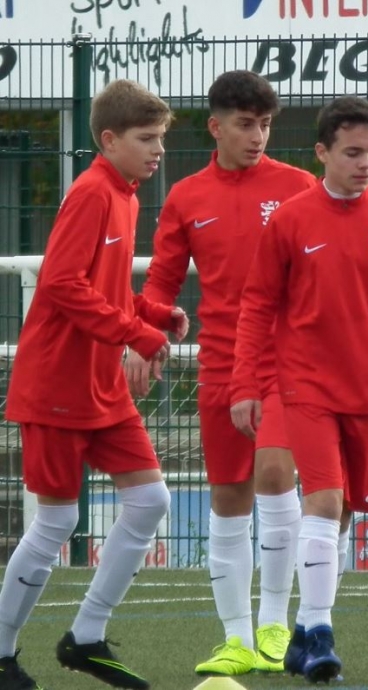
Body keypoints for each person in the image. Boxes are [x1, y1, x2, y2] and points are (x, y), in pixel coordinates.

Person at [229, 95, 368, 684]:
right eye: (353, 152)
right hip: (304, 386)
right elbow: (257, 306)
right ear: (322, 152)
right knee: (323, 500)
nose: (365, 163)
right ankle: (321, 634)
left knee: (345, 511)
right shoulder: (290, 219)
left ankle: (302, 633)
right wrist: (246, 384)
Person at [0, 80, 185, 690]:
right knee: (56, 522)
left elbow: (100, 285)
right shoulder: (91, 193)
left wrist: (152, 313)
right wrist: (136, 333)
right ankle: (1, 654)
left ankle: (85, 638)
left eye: (161, 138)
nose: (158, 149)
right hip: (57, 385)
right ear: (109, 140)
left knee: (151, 500)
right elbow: (60, 284)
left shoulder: (124, 195)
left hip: (101, 388)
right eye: (147, 138)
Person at [138, 70, 317, 676]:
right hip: (219, 362)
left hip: (285, 362)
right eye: (245, 125)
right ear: (215, 127)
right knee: (229, 496)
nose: (257, 136)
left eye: (265, 124)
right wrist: (144, 336)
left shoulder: (299, 187)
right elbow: (162, 280)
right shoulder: (186, 196)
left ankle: (276, 627)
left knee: (276, 475)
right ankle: (236, 637)